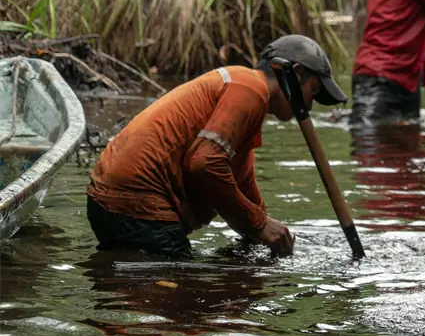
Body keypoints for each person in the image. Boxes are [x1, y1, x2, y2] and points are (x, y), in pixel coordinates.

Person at [86, 35, 349, 258]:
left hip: (110, 200)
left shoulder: (245, 95)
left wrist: (264, 231)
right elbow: (204, 164)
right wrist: (259, 225)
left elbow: (241, 180)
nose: (310, 106)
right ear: (295, 73)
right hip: (136, 201)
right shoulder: (250, 89)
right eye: (312, 93)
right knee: (183, 299)